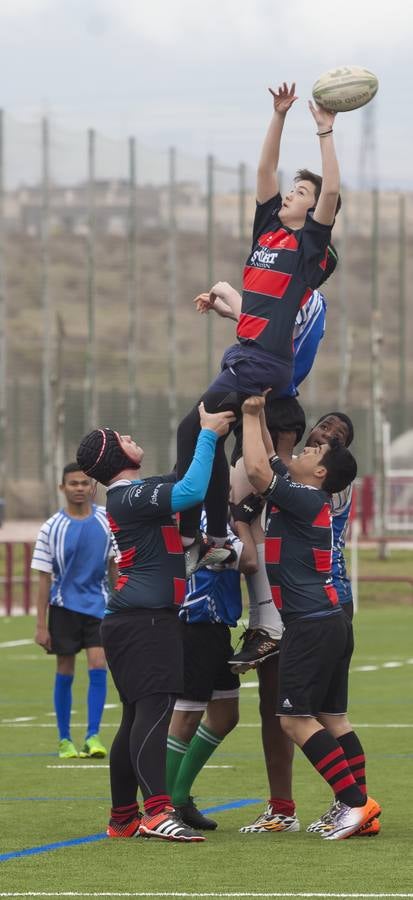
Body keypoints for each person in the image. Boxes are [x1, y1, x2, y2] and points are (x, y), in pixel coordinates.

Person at [176, 81, 341, 576]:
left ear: (312, 210)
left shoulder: (308, 246)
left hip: (262, 361)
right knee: (212, 436)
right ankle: (216, 533)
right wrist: (279, 116)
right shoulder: (267, 227)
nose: (292, 193)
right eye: (292, 190)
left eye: (301, 192)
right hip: (242, 354)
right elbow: (266, 170)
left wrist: (325, 131)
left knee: (193, 428)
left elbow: (331, 190)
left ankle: (198, 536)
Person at [76, 405, 235, 843]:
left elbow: (186, 479)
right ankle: (157, 812)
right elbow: (188, 491)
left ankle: (124, 816)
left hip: (135, 620)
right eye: (122, 435)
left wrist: (209, 438)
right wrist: (204, 434)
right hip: (143, 621)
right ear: (116, 455)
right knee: (154, 712)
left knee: (135, 718)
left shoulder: (134, 492)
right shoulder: (126, 495)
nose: (130, 434)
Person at [241, 395, 381, 840]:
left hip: (311, 622)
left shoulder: (305, 498)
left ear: (320, 472)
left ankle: (355, 804)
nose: (306, 448)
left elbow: (260, 470)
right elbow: (271, 457)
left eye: (315, 451)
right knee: (333, 717)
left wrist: (245, 416)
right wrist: (259, 411)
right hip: (330, 619)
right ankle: (358, 808)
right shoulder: (304, 491)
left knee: (294, 719)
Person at [166, 508, 258, 830]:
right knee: (187, 715)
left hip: (217, 626)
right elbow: (249, 561)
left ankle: (178, 797)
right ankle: (164, 806)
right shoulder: (207, 517)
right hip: (196, 622)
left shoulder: (218, 515)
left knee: (225, 716)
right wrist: (245, 525)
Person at [32, 462, 116, 760]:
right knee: (65, 668)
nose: (79, 488)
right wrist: (41, 625)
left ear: (92, 487)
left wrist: (120, 607)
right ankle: (64, 739)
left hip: (99, 607)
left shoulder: (107, 520)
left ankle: (93, 736)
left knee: (98, 664)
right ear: (62, 488)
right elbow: (43, 577)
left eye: (84, 483)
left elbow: (115, 566)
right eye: (73, 483)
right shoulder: (51, 528)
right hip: (64, 608)